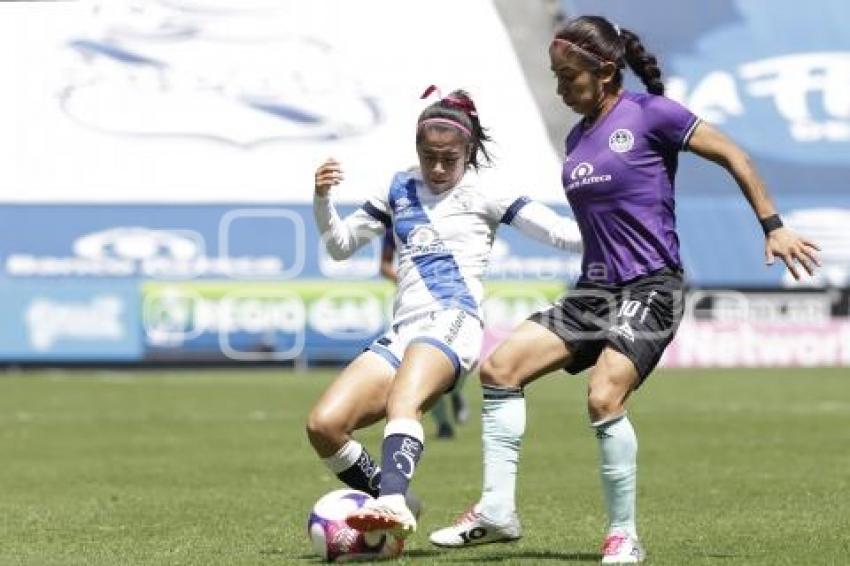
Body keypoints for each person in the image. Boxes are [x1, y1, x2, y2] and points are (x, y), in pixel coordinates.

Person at [428, 15, 821, 564]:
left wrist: (772, 226)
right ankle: (497, 512)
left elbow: (735, 153)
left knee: (603, 395)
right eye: (555, 77)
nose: (561, 88)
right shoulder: (577, 136)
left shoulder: (650, 114)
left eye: (569, 78)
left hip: (651, 286)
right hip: (593, 291)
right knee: (499, 370)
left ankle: (623, 536)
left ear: (606, 71)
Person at [306, 87, 583, 541]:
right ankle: (389, 495)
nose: (437, 168)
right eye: (428, 155)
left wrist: (616, 212)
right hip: (403, 330)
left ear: (468, 151)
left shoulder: (489, 190)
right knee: (324, 426)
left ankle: (392, 503)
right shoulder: (397, 187)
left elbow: (563, 235)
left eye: (449, 159)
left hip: (454, 322)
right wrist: (322, 199)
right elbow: (339, 247)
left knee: (404, 401)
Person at [379, 228, 470, 440]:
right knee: (424, 368)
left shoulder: (453, 217)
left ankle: (456, 393)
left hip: (453, 303)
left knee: (454, 364)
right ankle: (444, 425)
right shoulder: (396, 222)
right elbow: (384, 265)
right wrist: (409, 280)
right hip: (417, 308)